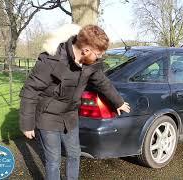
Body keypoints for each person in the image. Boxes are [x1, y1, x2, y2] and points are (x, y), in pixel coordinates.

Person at [19, 24, 130, 180]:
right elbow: (31, 90)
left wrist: (118, 102)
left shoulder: (90, 64)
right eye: (98, 54)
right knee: (53, 161)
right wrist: (27, 124)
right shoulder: (51, 59)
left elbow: (102, 82)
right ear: (85, 50)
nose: (99, 58)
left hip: (70, 116)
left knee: (74, 154)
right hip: (47, 117)